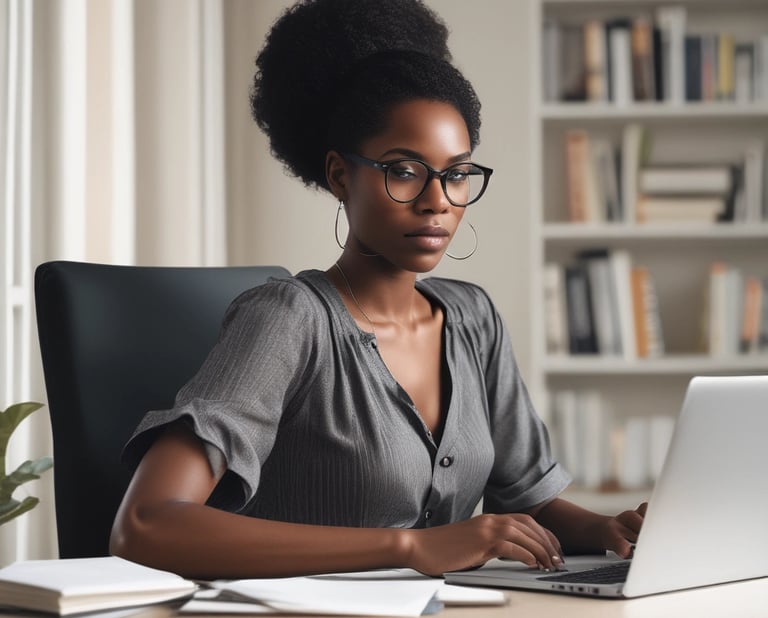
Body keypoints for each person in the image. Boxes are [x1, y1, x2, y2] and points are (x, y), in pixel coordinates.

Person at [110, 0, 645, 580]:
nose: (437, 199)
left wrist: (604, 529)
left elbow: (527, 500)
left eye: (457, 174)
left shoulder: (473, 319)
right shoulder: (288, 320)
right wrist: (410, 548)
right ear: (340, 175)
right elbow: (146, 524)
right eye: (404, 170)